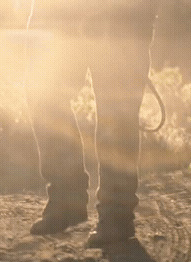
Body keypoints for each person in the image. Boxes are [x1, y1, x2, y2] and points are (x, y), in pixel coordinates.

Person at [25, 1, 160, 247]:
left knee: (117, 112)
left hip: (123, 17)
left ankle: (116, 216)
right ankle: (66, 200)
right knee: (42, 92)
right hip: (59, 13)